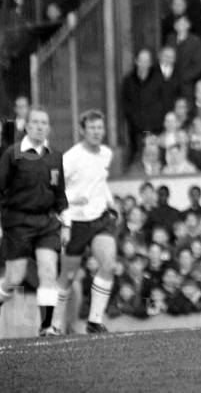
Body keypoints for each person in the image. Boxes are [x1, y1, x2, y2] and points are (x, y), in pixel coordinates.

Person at [0, 107, 67, 335]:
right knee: (14, 278)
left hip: (47, 221)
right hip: (18, 222)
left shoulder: (55, 156)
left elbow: (60, 193)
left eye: (44, 123)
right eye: (35, 122)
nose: (40, 126)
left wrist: (66, 221)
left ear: (49, 127)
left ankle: (47, 327)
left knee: (48, 271)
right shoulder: (12, 154)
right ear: (27, 126)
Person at [52, 110, 119, 334]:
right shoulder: (71, 157)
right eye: (92, 128)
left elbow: (100, 181)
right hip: (76, 222)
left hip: (100, 219)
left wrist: (111, 202)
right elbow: (55, 190)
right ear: (82, 130)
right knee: (68, 276)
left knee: (109, 264)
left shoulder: (106, 153)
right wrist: (71, 203)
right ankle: (54, 324)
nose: (96, 132)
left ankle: (95, 321)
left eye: (100, 127)